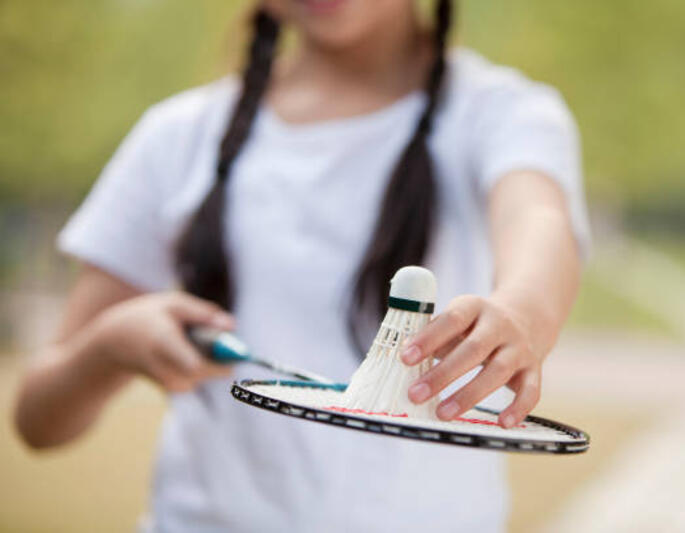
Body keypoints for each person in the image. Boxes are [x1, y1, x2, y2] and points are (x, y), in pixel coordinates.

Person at [14, 0, 590, 531]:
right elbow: (37, 420)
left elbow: (538, 219)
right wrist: (109, 349)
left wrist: (524, 311)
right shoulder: (178, 136)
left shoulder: (503, 113)